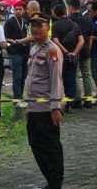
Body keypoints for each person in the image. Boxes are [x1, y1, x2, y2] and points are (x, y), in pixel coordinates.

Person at [26, 12, 64, 189]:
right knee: (35, 144)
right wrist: (28, 106)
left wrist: (55, 107)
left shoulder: (52, 50)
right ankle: (49, 178)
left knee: (50, 146)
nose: (35, 29)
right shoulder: (34, 48)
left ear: (48, 27)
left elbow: (56, 80)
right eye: (33, 25)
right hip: (33, 107)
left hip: (47, 108)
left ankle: (56, 181)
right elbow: (32, 79)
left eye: (39, 25)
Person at [51, 3, 84, 112]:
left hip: (60, 57)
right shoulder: (74, 24)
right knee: (71, 79)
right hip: (73, 58)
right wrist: (73, 53)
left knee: (58, 79)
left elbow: (55, 41)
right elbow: (81, 40)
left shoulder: (55, 25)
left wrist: (65, 52)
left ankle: (58, 104)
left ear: (55, 13)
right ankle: (69, 104)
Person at [68, 0, 93, 108]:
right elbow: (91, 36)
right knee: (87, 75)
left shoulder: (69, 20)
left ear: (71, 7)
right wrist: (89, 49)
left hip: (74, 51)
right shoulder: (87, 19)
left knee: (75, 75)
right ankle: (88, 99)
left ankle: (77, 100)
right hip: (86, 50)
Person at [4, 2, 29, 102]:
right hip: (15, 52)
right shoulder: (9, 22)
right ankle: (17, 98)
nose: (18, 11)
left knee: (24, 76)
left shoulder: (26, 21)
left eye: (20, 9)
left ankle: (21, 96)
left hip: (25, 52)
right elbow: (5, 37)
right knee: (17, 76)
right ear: (13, 10)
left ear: (24, 10)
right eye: (16, 9)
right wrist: (13, 42)